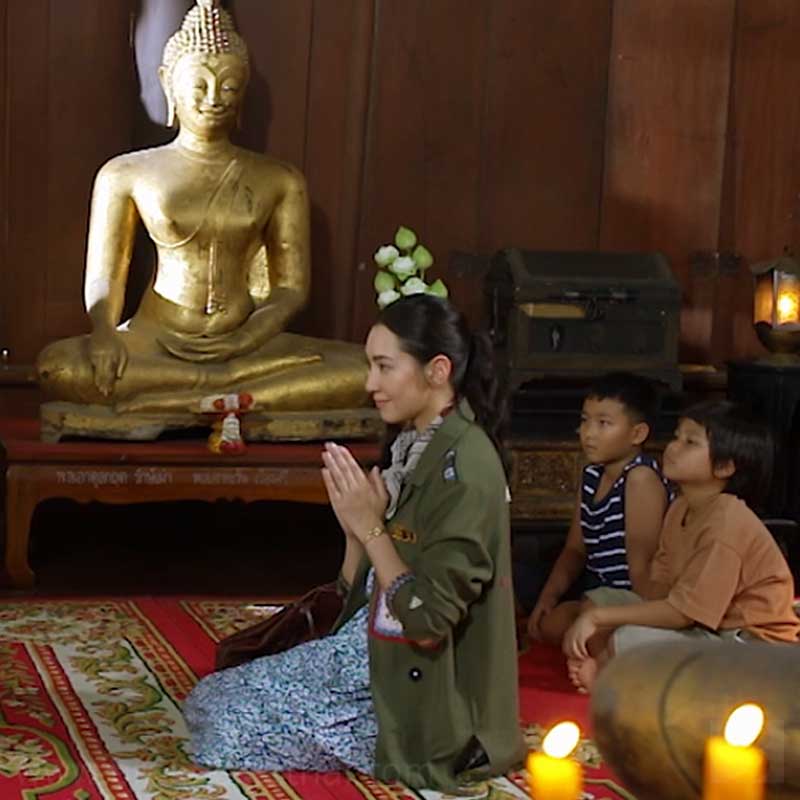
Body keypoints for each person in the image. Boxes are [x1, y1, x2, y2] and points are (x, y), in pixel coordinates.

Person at [183, 294, 526, 794]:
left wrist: (371, 529)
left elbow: (428, 623)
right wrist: (354, 533)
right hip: (372, 648)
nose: (370, 384)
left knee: (218, 729)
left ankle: (390, 743)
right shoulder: (413, 445)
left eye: (384, 367)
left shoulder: (466, 467)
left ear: (437, 371)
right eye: (370, 366)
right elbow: (357, 593)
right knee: (209, 699)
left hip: (422, 685)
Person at [36, 0, 368, 419]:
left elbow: (290, 290)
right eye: (200, 85)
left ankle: (179, 401)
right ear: (168, 83)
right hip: (154, 339)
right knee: (59, 367)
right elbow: (105, 277)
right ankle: (229, 397)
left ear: (244, 92)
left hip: (248, 343)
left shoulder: (280, 179)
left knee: (363, 370)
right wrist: (103, 331)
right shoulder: (126, 173)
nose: (214, 99)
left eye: (229, 87)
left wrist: (245, 339)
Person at [563, 400, 800, 693]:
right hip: (701, 627)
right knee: (601, 600)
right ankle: (609, 667)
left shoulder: (727, 521)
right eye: (677, 437)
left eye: (690, 442)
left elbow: (683, 613)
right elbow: (659, 591)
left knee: (629, 638)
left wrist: (601, 621)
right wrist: (604, 615)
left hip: (748, 646)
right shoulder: (680, 507)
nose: (673, 447)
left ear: (725, 466)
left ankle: (608, 673)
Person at [522, 372, 672, 646]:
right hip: (597, 594)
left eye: (604, 423)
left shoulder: (640, 479)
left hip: (630, 599)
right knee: (551, 623)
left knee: (583, 628)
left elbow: (643, 568)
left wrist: (649, 621)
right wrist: (548, 597)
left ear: (637, 433)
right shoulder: (592, 475)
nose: (588, 433)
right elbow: (574, 550)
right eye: (584, 420)